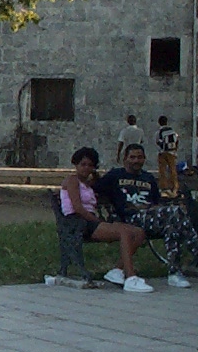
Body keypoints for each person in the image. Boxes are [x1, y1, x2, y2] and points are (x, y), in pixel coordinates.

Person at [98, 144, 193, 289]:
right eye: (132, 157)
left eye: (140, 157)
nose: (136, 160)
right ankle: (194, 252)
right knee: (176, 213)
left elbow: (156, 203)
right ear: (125, 159)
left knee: (172, 225)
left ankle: (174, 274)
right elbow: (94, 187)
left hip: (151, 218)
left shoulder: (148, 178)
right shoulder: (115, 175)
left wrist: (154, 209)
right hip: (130, 219)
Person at [60, 147, 147, 285]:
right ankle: (130, 276)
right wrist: (97, 220)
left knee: (138, 232)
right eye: (83, 164)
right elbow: (78, 207)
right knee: (123, 231)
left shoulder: (87, 184)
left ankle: (117, 270)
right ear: (76, 165)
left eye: (90, 165)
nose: (86, 168)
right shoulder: (72, 181)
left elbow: (99, 184)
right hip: (78, 222)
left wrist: (95, 174)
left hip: (91, 221)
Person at [156, 115, 180, 194]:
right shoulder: (172, 131)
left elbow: (158, 142)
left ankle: (164, 187)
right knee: (172, 169)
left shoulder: (159, 132)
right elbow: (177, 140)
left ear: (159, 122)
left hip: (162, 153)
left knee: (162, 170)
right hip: (172, 153)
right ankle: (174, 186)